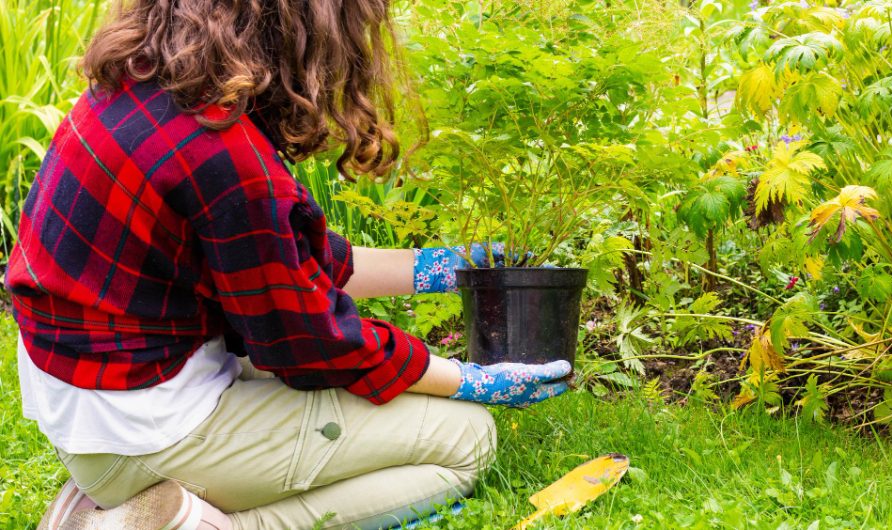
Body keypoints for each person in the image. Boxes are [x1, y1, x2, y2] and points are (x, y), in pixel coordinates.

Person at [4, 0, 571, 529]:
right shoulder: (220, 151)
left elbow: (291, 265)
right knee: (466, 438)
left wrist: (442, 268)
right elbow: (314, 343)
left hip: (96, 398)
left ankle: (106, 500)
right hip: (145, 430)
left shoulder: (143, 79)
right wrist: (471, 381)